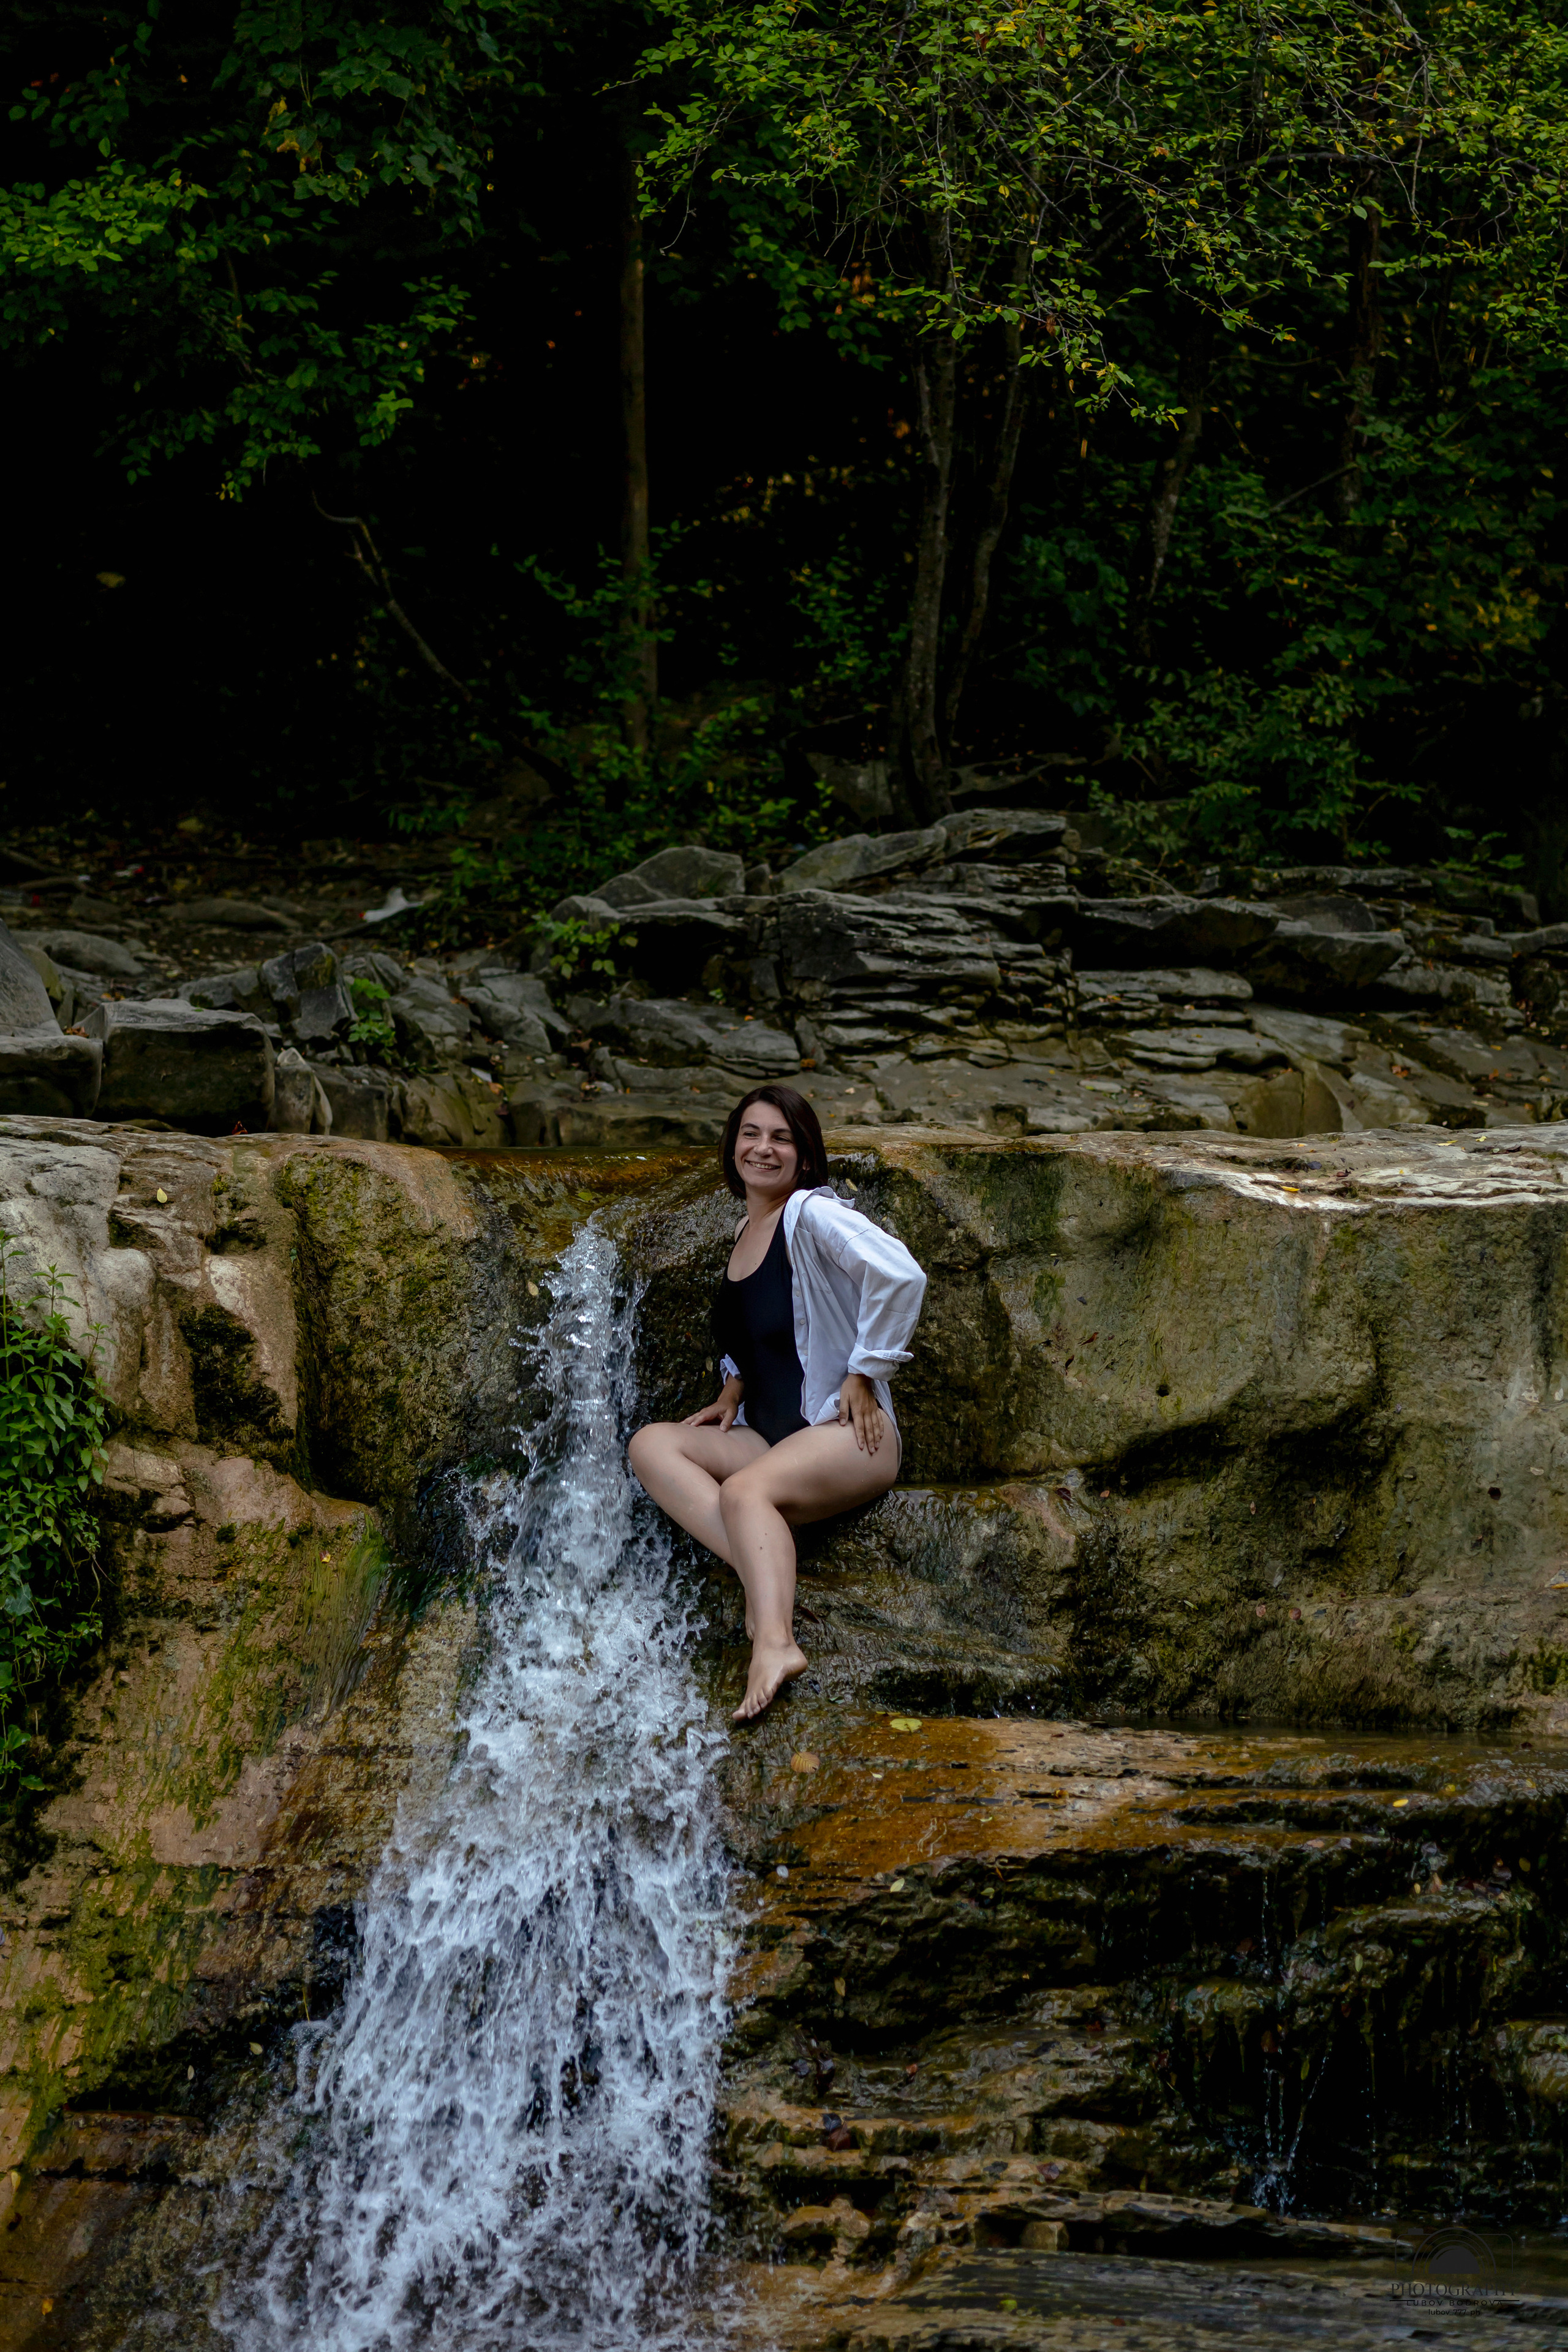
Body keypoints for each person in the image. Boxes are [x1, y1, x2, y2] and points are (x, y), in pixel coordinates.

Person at [628, 1085, 927, 1722]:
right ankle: (765, 1564)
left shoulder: (810, 1214)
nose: (762, 1148)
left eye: (781, 1138)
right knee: (651, 1445)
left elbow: (900, 1273)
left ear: (804, 1154)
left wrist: (865, 1370)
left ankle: (776, 1641)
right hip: (768, 1437)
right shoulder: (746, 1227)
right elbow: (758, 1325)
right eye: (750, 1134)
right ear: (732, 1144)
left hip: (847, 1435)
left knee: (743, 1495)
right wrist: (732, 1384)